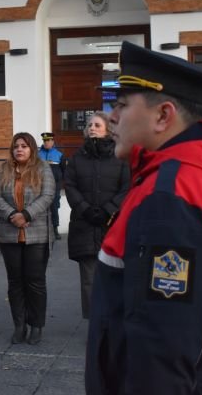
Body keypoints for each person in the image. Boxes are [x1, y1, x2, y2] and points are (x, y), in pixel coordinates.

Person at [85, 41, 202, 394]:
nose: (111, 118)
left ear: (163, 116)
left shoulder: (170, 194)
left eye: (121, 106)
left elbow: (162, 343)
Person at [0, 132, 55, 345]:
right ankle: (20, 325)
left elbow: (47, 196)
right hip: (9, 233)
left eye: (24, 146)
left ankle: (36, 325)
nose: (19, 149)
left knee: (35, 282)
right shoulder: (3, 170)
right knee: (15, 282)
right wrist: (12, 215)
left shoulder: (43, 168)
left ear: (32, 149)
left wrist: (26, 215)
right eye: (16, 146)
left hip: (36, 234)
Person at [64, 112, 129, 319]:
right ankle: (95, 326)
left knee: (115, 277)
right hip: (84, 226)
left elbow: (127, 187)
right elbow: (70, 185)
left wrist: (109, 209)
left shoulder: (120, 156)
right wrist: (85, 209)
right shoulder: (76, 158)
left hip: (113, 226)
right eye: (90, 125)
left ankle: (114, 322)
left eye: (97, 125)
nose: (92, 127)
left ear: (108, 129)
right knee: (89, 280)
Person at [38, 132, 66, 240]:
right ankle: (42, 230)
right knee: (40, 207)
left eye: (48, 140)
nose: (46, 142)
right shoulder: (37, 155)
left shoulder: (59, 155)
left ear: (53, 141)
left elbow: (64, 171)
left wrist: (59, 182)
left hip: (54, 186)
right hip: (40, 185)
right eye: (44, 141)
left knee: (54, 207)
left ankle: (55, 229)